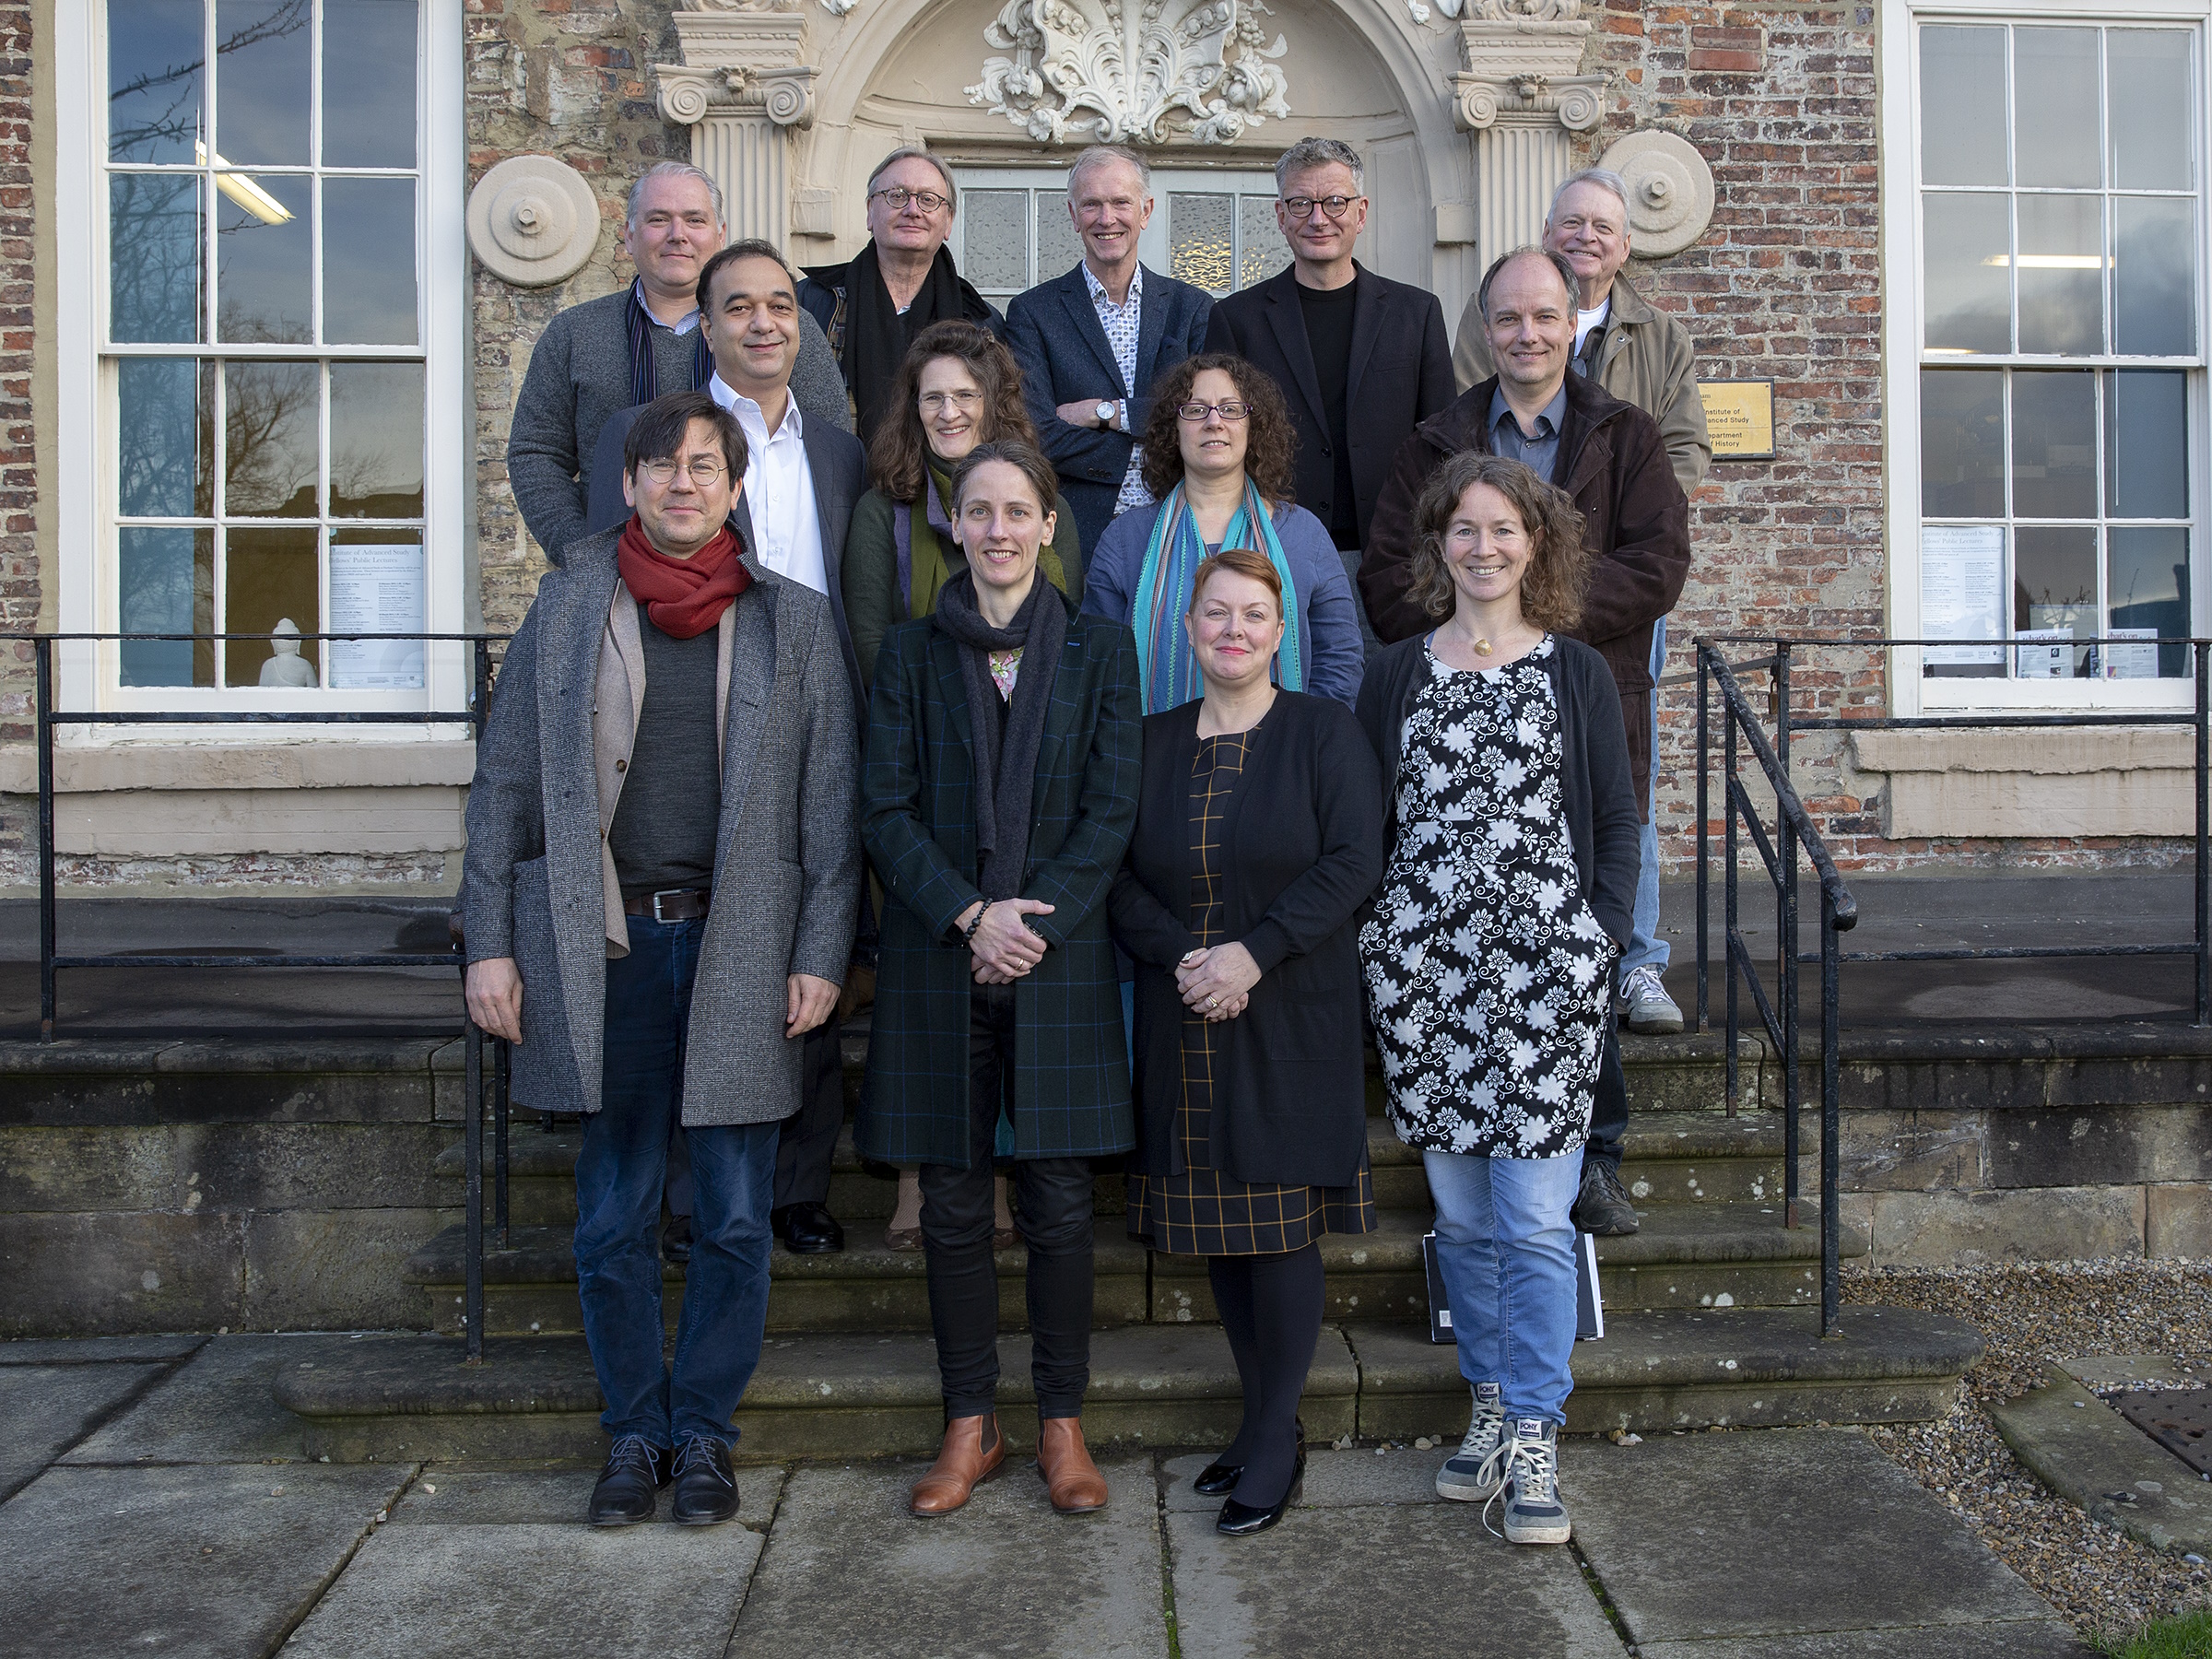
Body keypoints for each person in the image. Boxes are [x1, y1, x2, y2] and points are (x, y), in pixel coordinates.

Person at [462, 389, 860, 1528]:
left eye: (704, 466)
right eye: (662, 467)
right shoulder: (568, 607)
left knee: (735, 1213)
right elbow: (502, 792)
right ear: (629, 484)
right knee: (614, 1212)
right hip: (604, 947)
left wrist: (822, 950)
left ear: (736, 488)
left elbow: (829, 812)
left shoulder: (793, 622)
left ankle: (706, 1436)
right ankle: (634, 1430)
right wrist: (489, 945)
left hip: (742, 942)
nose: (683, 483)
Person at [1359, 246, 1689, 1240]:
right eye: (1508, 319)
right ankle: (1461, 1141)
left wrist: (1534, 626)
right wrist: (1481, 628)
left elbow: (1661, 562)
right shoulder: (1435, 441)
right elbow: (1387, 573)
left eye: (1545, 317)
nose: (1527, 335)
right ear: (1487, 329)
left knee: (1582, 935)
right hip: (1457, 713)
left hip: (1583, 701)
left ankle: (1596, 1157)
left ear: (1573, 321)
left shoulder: (1623, 434)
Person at [1355, 452, 1639, 1547]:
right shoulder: (1393, 675)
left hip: (1544, 987)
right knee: (1464, 1222)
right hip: (1428, 986)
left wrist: (1594, 945)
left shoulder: (1575, 673)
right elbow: (1368, 830)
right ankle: (1485, 1398)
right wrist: (1382, 942)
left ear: (1537, 544)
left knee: (1530, 1219)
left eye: (1503, 530)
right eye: (1463, 530)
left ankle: (1535, 1431)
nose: (1483, 548)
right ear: (1438, 546)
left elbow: (1615, 822)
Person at [856, 440, 1140, 1519]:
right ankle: (969, 1424)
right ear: (955, 527)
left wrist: (1029, 923)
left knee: (1063, 1203)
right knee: (956, 1205)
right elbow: (884, 808)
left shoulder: (1102, 652)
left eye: (1018, 511)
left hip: (1057, 957)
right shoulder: (911, 653)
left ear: (1049, 524)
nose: (1000, 530)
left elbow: (1112, 809)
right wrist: (970, 913)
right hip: (942, 954)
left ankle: (1062, 1422)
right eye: (979, 512)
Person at [586, 240, 870, 1260]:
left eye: (781, 307)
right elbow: (601, 576)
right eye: (738, 306)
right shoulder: (657, 438)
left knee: (808, 940)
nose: (762, 324)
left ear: (804, 327)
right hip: (691, 719)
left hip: (812, 716)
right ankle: (672, 1201)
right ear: (702, 325)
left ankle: (798, 1188)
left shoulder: (837, 448)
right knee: (681, 979)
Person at [1110, 549, 1382, 1537]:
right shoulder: (1148, 742)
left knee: (1276, 1228)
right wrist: (1186, 958)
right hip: (1186, 1012)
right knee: (1218, 1230)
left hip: (1289, 1009)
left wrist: (1250, 957)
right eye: (1215, 614)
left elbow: (1355, 860)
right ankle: (1262, 1418)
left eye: (1254, 615)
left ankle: (1275, 1434)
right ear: (1188, 630)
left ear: (1281, 633)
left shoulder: (1323, 732)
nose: (1233, 629)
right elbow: (1116, 871)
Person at [842, 320, 1083, 1255]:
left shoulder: (1031, 500)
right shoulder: (885, 511)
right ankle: (920, 1177)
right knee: (929, 983)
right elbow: (870, 642)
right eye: (932, 396)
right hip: (924, 766)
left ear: (994, 409)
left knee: (1013, 974)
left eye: (965, 398)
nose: (948, 412)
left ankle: (1003, 1168)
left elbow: (1059, 619)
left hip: (1023, 768)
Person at [1454, 170, 1712, 1037]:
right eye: (1572, 222)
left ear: (1624, 244)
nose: (1588, 236)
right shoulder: (1493, 322)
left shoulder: (1656, 336)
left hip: (1605, 606)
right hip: (1482, 608)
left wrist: (1557, 596)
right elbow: (1458, 432)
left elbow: (1680, 459)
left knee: (1618, 775)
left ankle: (1633, 959)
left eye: (1604, 225)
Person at [508, 161, 849, 570]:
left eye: (694, 219)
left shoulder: (781, 330)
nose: (678, 235)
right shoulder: (574, 333)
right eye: (658, 220)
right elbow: (536, 453)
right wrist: (584, 553)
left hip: (755, 572)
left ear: (719, 235)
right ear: (629, 235)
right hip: (615, 576)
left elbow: (827, 444)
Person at [1201, 137, 1454, 647]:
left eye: (1335, 202)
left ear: (1360, 213)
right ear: (1280, 214)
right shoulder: (1236, 319)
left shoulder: (1416, 313)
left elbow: (1443, 444)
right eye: (1302, 203)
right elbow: (1217, 436)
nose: (1319, 217)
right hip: (1271, 550)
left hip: (1394, 557)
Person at [1083, 354, 1365, 712]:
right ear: (1174, 429)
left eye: (1231, 409)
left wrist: (1305, 742)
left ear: (1254, 426)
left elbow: (1339, 658)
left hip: (1284, 759)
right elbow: (1098, 664)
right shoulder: (1126, 540)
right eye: (1195, 410)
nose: (1214, 421)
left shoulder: (1303, 535)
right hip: (1151, 758)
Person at [1005, 146, 1213, 559]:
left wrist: (1107, 413)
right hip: (1076, 535)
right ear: (1072, 214)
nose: (1106, 218)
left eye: (1120, 202)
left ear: (1146, 210)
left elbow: (1205, 417)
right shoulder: (1033, 312)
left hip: (1182, 527)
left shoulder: (1191, 308)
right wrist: (1144, 443)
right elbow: (1037, 434)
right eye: (1092, 204)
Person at [800, 148, 1005, 444]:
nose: (913, 210)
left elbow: (996, 423)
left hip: (948, 483)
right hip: (838, 481)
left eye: (928, 200)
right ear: (870, 211)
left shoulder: (980, 320)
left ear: (948, 222)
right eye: (897, 196)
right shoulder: (812, 303)